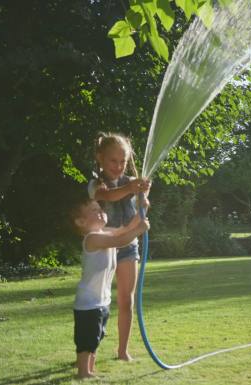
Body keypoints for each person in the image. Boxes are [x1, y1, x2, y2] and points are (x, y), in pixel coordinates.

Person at [70, 197, 149, 379]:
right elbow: (122, 240)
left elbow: (125, 231)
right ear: (81, 222)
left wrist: (141, 211)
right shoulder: (93, 238)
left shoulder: (104, 233)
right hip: (88, 302)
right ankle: (83, 372)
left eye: (100, 209)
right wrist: (139, 230)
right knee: (86, 339)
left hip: (101, 300)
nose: (101, 212)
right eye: (94, 210)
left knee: (97, 336)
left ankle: (91, 369)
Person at [89, 132, 151, 361]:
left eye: (123, 161)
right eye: (113, 161)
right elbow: (109, 196)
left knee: (127, 298)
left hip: (127, 245)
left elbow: (139, 209)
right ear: (100, 159)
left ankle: (123, 350)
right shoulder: (96, 184)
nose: (118, 166)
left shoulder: (130, 184)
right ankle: (88, 352)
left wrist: (144, 198)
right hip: (103, 247)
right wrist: (132, 188)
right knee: (97, 301)